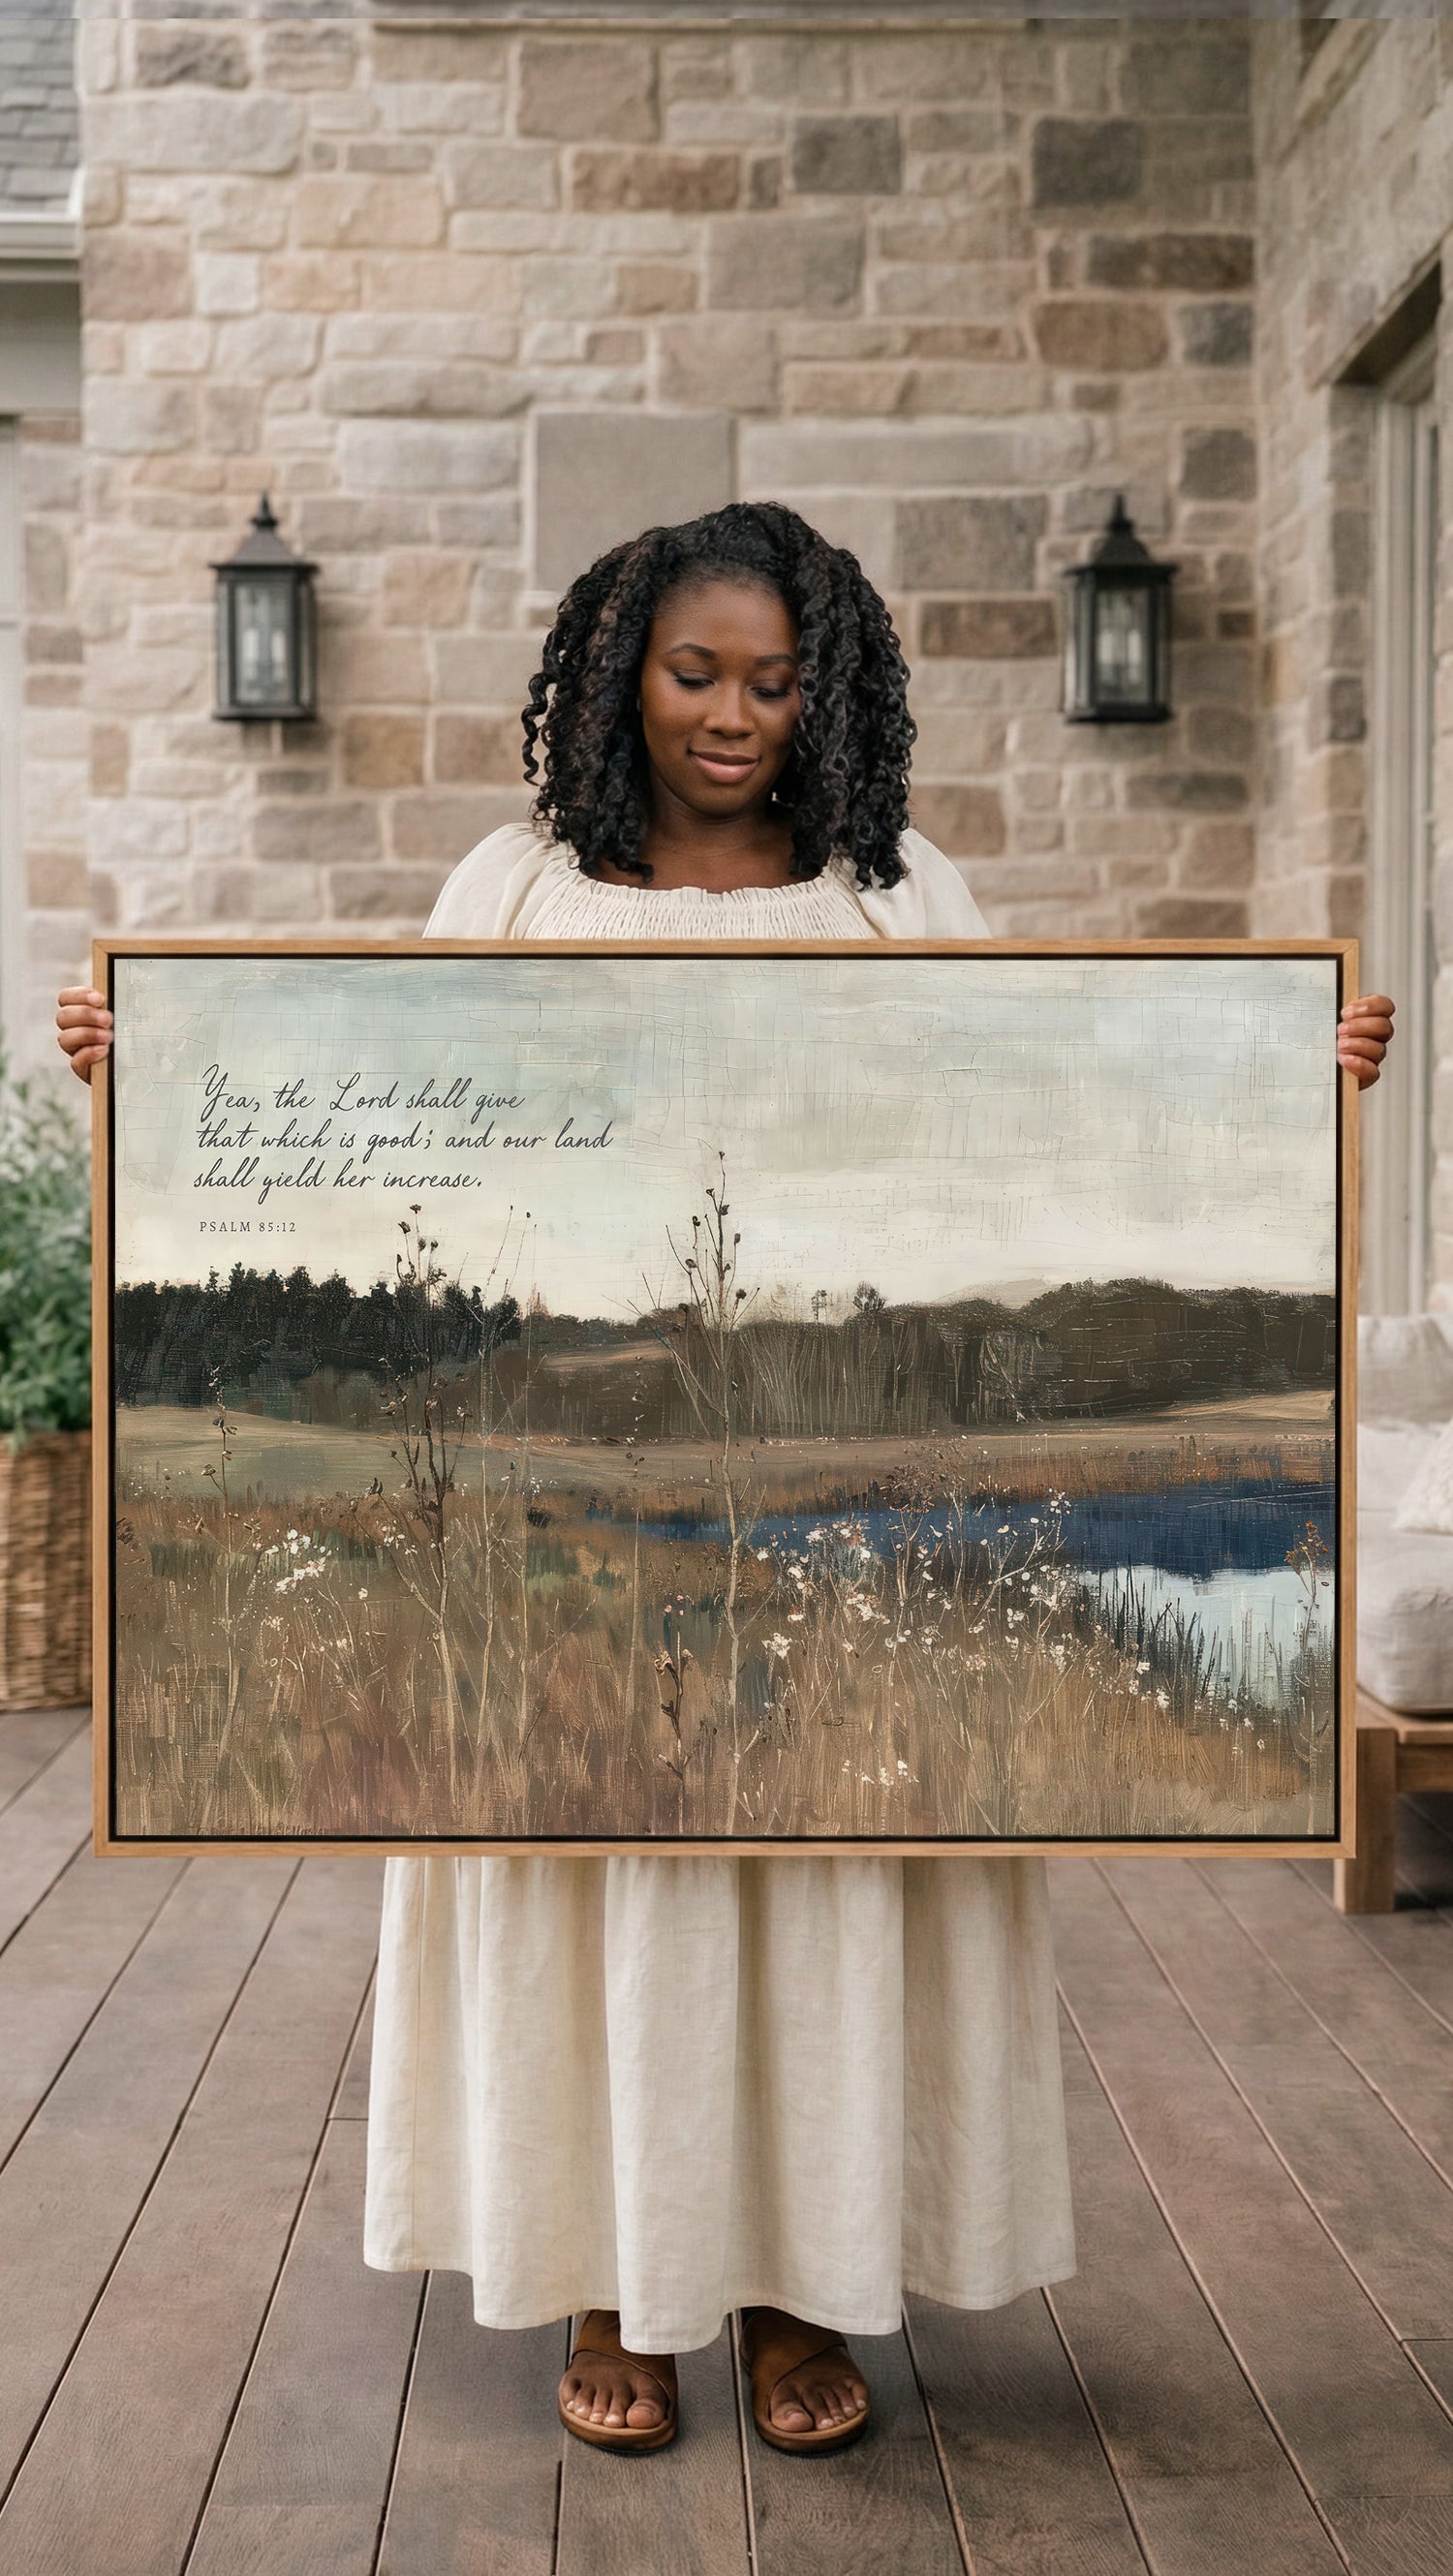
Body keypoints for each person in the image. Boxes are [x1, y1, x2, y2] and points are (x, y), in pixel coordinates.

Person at [59, 500, 1395, 2459]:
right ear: (620, 671)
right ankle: (617, 2273)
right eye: (698, 673)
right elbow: (377, 1158)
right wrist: (148, 1074)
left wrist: (1283, 1079)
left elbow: (1036, 1139)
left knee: (823, 1884)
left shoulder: (893, 894)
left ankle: (794, 2290)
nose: (736, 716)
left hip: (846, 1511)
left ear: (826, 683)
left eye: (775, 680)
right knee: (601, 1877)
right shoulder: (511, 893)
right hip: (572, 1502)